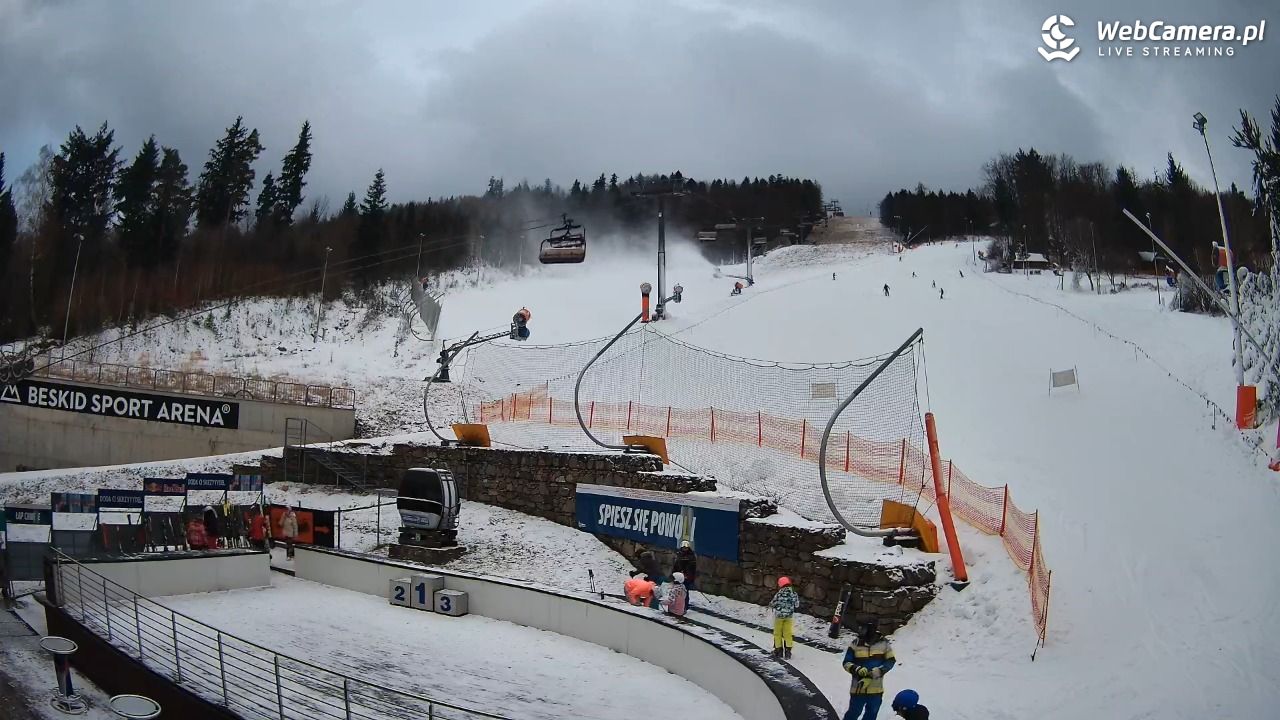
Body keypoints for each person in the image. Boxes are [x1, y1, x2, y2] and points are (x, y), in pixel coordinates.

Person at [843, 622, 896, 720]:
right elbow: (846, 662)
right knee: (853, 712)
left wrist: (878, 671)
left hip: (876, 689)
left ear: (871, 630)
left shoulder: (884, 643)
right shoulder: (855, 643)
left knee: (872, 713)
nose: (860, 631)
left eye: (863, 629)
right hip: (858, 688)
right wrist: (856, 669)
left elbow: (891, 661)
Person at [769, 576, 800, 659]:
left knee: (777, 633)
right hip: (789, 617)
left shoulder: (779, 593)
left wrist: (774, 606)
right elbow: (797, 605)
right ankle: (788, 652)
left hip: (779, 617)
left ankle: (778, 651)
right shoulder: (794, 593)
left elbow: (773, 603)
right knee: (788, 633)